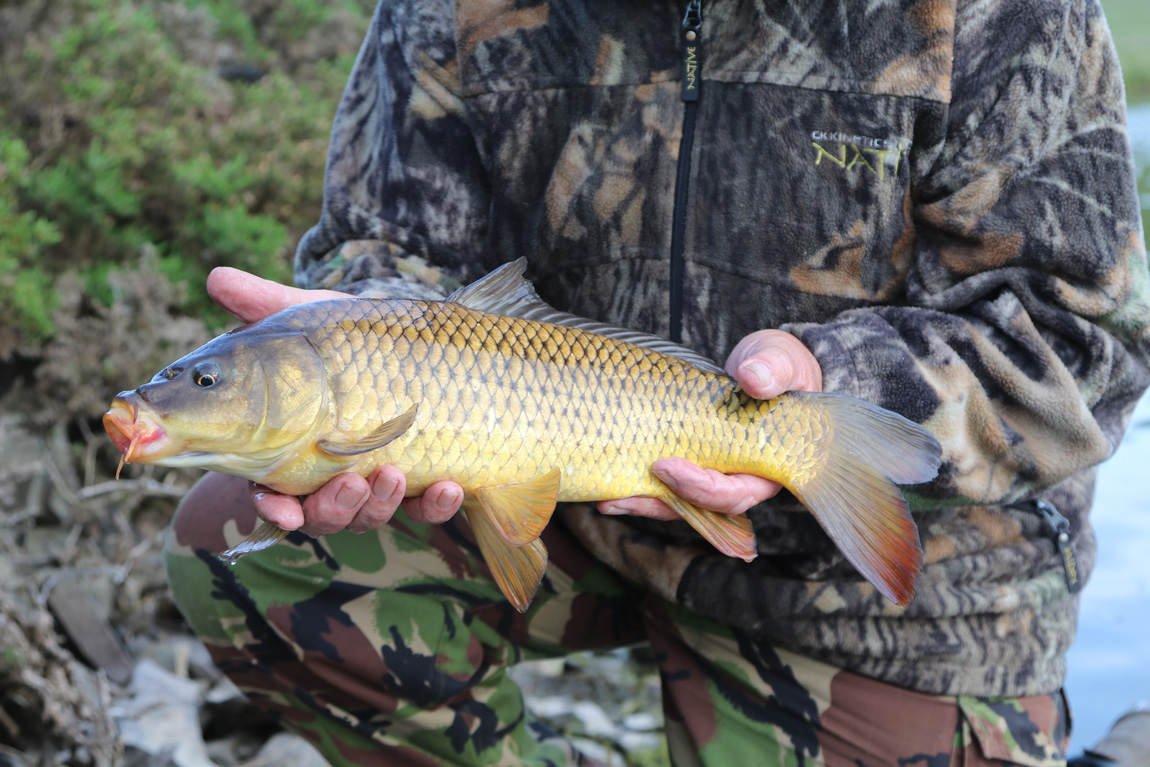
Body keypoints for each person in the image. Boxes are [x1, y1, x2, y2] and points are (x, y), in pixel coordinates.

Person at [163, 0, 1150, 765]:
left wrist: (832, 381)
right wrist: (340, 338)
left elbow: (1082, 336)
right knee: (245, 549)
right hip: (561, 506)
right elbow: (393, 251)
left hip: (896, 589)